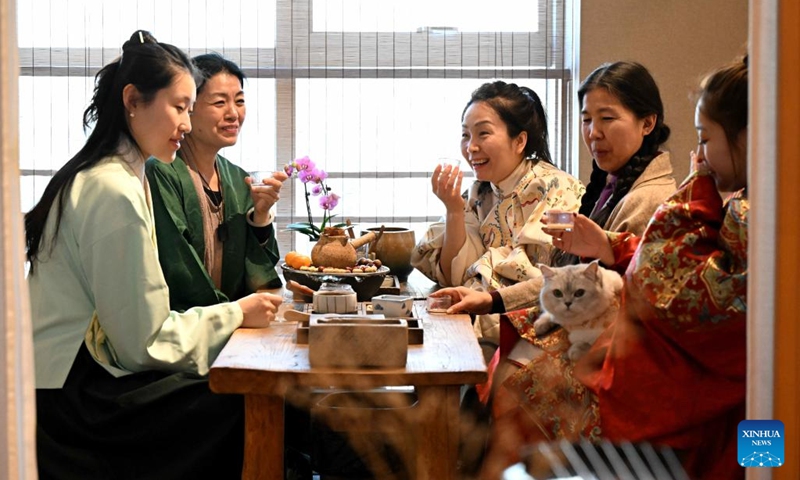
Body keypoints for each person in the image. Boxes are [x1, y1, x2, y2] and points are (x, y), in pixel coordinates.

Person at [25, 31, 283, 480]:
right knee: (242, 401)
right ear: (132, 100)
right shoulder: (115, 187)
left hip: (75, 374)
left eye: (189, 108)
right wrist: (236, 314)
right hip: (74, 392)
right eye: (180, 107)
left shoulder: (122, 173)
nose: (185, 123)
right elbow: (142, 342)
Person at [483, 55, 749, 480]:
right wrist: (612, 247)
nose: (594, 132)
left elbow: (678, 285)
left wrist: (690, 196)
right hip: (636, 344)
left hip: (697, 382)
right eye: (587, 119)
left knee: (762, 456)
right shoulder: (613, 187)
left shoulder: (691, 200)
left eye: (704, 139)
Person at [432, 62, 677, 404]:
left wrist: (494, 301)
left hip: (606, 355)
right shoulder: (482, 191)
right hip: (545, 317)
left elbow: (605, 297)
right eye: (587, 120)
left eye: (607, 118)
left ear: (647, 123)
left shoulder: (635, 198)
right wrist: (455, 214)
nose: (593, 132)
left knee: (493, 384)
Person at [411, 80, 584, 345]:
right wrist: (454, 210)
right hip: (483, 321)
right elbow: (453, 276)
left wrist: (483, 275)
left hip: (540, 329)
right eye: (465, 135)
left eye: (483, 133)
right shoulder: (479, 192)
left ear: (520, 141)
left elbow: (544, 277)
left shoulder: (555, 187)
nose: (471, 147)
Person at [146, 53, 286, 312]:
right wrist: (234, 313)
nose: (233, 113)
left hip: (233, 324)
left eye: (239, 101)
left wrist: (261, 216)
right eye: (219, 102)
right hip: (183, 325)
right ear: (188, 106)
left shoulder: (237, 177)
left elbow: (259, 275)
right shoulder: (161, 171)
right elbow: (178, 268)